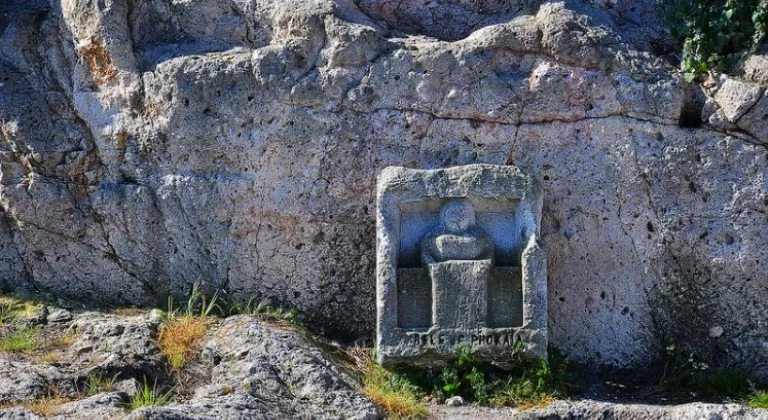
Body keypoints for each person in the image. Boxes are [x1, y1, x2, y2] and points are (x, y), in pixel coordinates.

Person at [420, 199, 494, 265]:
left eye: (462, 212)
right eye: (453, 212)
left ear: (470, 217)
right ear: (444, 217)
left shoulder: (478, 235)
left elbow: (488, 248)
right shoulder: (436, 236)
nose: (458, 216)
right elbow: (425, 249)